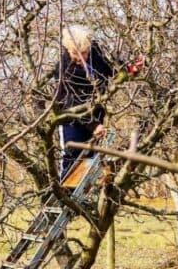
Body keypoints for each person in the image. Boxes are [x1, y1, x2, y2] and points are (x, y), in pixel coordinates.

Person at [51, 25, 143, 176]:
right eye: (76, 53)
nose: (82, 58)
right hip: (72, 119)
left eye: (85, 53)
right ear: (68, 50)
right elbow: (73, 102)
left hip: (95, 113)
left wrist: (130, 69)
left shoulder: (95, 52)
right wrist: (93, 124)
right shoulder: (64, 69)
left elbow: (110, 68)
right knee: (72, 156)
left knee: (90, 158)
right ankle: (66, 195)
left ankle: (83, 197)